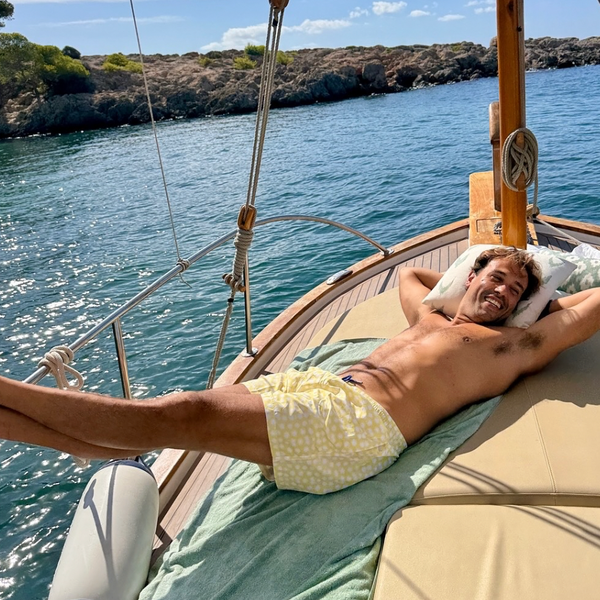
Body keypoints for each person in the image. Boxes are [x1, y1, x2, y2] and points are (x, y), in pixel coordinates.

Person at [1, 247, 600, 494]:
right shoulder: (428, 315)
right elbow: (409, 274)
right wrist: (463, 279)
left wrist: (546, 303)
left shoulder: (511, 345)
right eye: (495, 277)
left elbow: (589, 309)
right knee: (168, 424)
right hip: (321, 394)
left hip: (359, 428)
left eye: (516, 291)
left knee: (183, 412)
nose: (502, 292)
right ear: (470, 277)